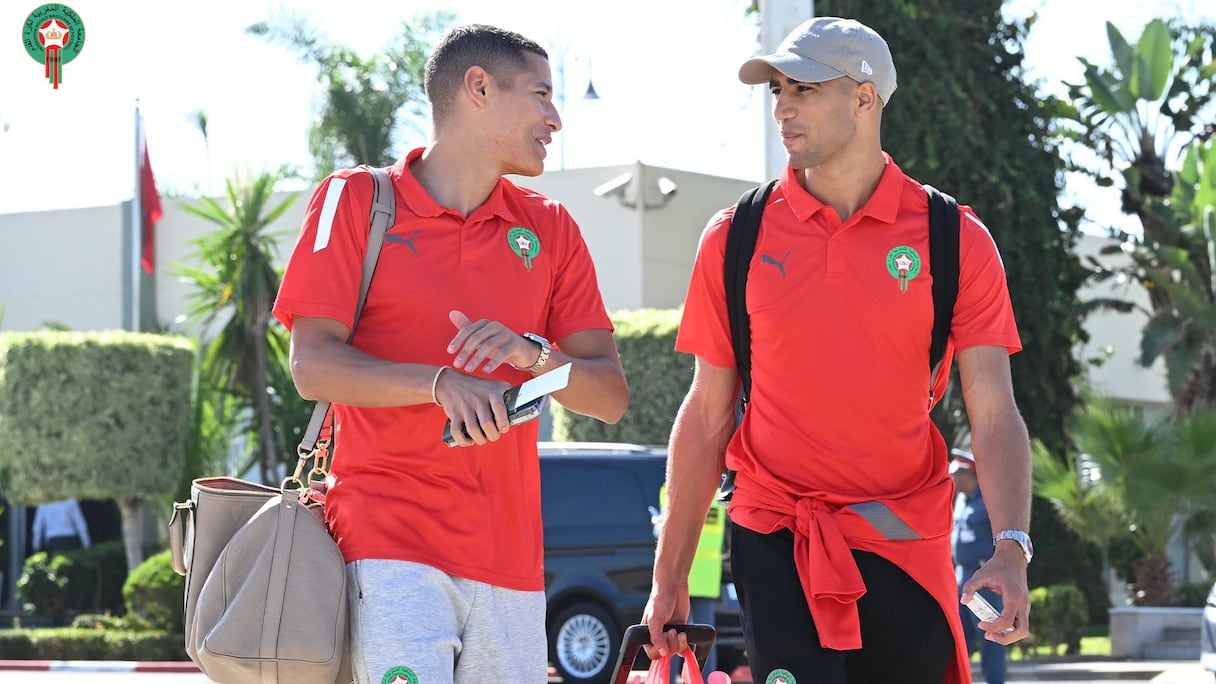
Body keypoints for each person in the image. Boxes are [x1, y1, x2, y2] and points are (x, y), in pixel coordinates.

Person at [642, 15, 1032, 684]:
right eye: (777, 92)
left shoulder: (954, 239)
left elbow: (993, 413)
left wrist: (1012, 547)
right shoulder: (735, 236)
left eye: (805, 89)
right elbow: (708, 413)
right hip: (776, 532)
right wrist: (669, 576)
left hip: (904, 537)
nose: (784, 108)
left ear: (864, 98)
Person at [272, 23, 629, 684]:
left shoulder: (551, 228)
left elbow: (608, 397)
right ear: (479, 88)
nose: (554, 118)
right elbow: (311, 366)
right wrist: (441, 383)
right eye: (542, 95)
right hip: (384, 544)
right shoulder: (354, 200)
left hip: (511, 560)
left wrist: (533, 359)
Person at [653, 484, 726, 681]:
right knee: (705, 638)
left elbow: (663, 528)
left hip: (679, 576)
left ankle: (666, 679)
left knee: (672, 635)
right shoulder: (718, 495)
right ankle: (705, 679)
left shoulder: (669, 488)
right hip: (707, 577)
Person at [951, 449, 1008, 684]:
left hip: (983, 580)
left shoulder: (989, 501)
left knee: (990, 641)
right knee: (957, 643)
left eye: (957, 474)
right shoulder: (961, 501)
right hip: (959, 577)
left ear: (970, 474)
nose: (953, 479)